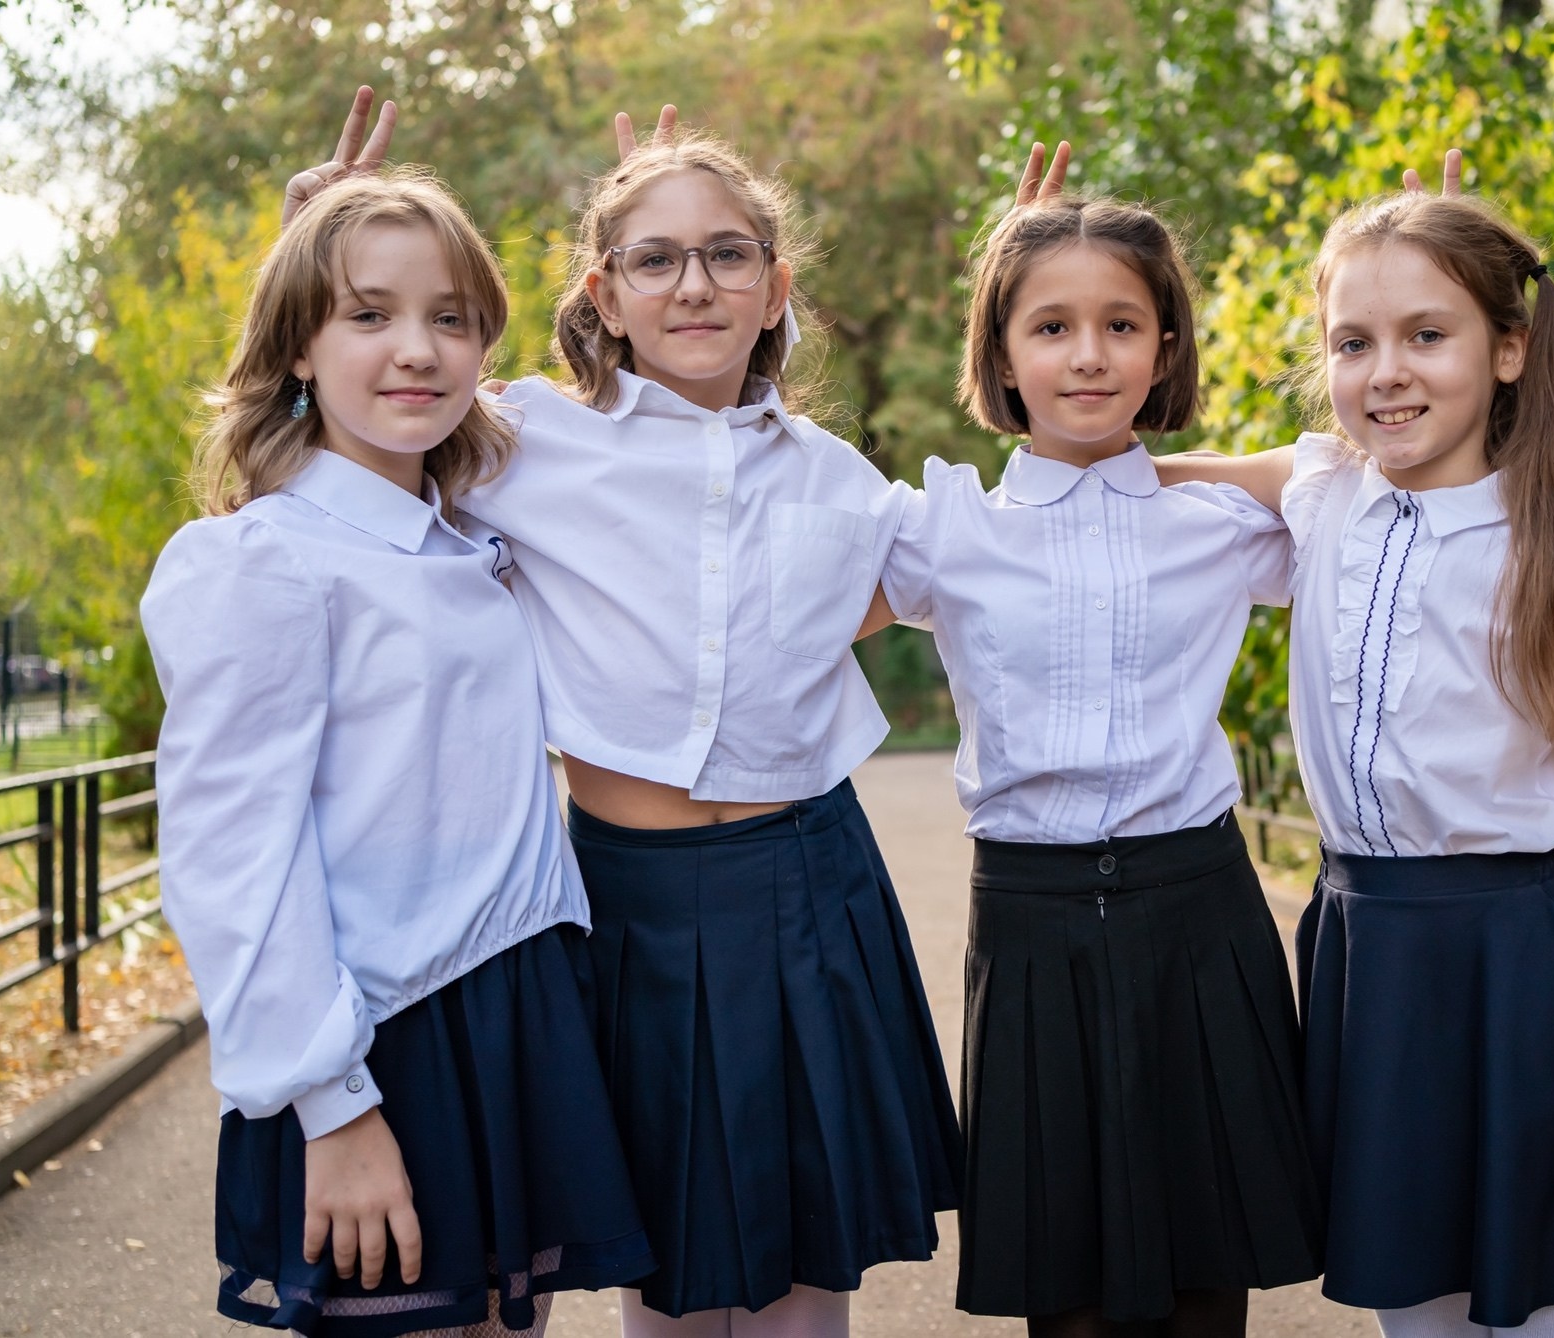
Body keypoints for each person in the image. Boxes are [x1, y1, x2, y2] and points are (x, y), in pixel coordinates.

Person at [281, 95, 964, 1337]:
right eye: (655, 259)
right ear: (602, 293)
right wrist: (319, 261)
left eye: (726, 255)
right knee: (667, 1258)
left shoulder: (840, 479)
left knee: (808, 1263)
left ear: (776, 286)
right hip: (622, 902)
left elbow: (978, 565)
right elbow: (338, 449)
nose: (692, 285)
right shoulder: (518, 439)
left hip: (809, 888)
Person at [1155, 189, 1554, 1336]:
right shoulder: (1320, 492)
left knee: (1548, 1304)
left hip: (1520, 971)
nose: (1386, 373)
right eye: (1351, 343)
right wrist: (1041, 320)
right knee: (1414, 1310)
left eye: (1426, 334)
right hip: (1370, 965)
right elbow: (1126, 475)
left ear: (1507, 350)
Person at [141, 170, 653, 1337]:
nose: (417, 349)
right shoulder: (264, 561)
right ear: (298, 345)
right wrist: (330, 1105)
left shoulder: (471, 532)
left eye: (450, 317)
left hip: (515, 1009)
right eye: (368, 315)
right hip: (378, 1044)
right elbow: (231, 859)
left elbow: (644, 445)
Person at [866, 194, 1325, 1338]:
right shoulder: (944, 529)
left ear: (1164, 348)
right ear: (998, 354)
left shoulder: (1220, 521)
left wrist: (1171, 473)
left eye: (1121, 325)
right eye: (1049, 326)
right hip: (1032, 928)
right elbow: (761, 578)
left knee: (1207, 1281)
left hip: (1200, 915)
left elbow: (1358, 469)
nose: (1087, 355)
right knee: (1064, 1295)